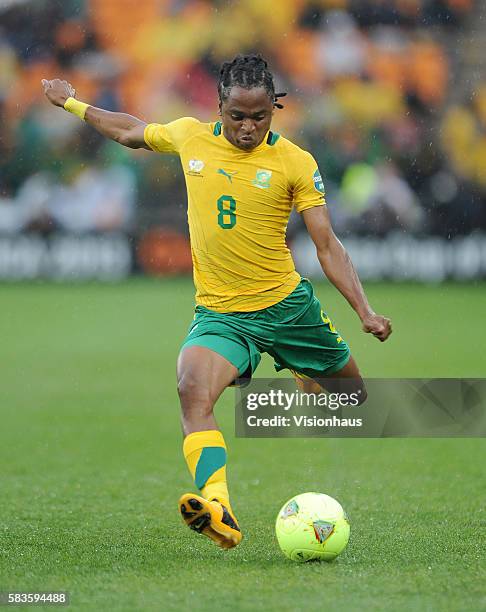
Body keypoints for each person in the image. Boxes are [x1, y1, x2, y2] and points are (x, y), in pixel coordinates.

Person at [42, 53, 392, 551]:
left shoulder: (295, 162)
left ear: (274, 109)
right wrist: (72, 103)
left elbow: (327, 245)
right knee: (191, 388)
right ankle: (219, 507)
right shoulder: (190, 135)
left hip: (287, 310)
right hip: (222, 314)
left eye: (260, 116)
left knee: (352, 404)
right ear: (219, 106)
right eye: (237, 116)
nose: (247, 128)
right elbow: (128, 130)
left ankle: (301, 370)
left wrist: (364, 310)